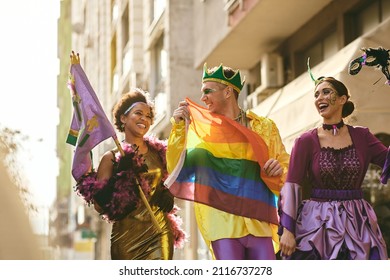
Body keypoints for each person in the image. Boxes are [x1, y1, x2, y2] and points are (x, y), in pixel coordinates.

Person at [165, 63, 290, 260]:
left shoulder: (263, 127)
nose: (203, 97)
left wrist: (279, 168)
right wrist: (179, 129)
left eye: (208, 91)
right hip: (222, 225)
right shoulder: (203, 134)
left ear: (228, 92)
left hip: (260, 222)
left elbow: (285, 166)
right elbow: (177, 169)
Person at [278, 75, 389, 260]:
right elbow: (292, 185)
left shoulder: (363, 136)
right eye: (316, 95)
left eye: (326, 92)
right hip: (318, 223)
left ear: (342, 99)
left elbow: (387, 160)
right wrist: (288, 230)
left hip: (358, 222)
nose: (319, 98)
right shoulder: (305, 141)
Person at [75, 88, 186, 260]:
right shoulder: (111, 158)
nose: (144, 119)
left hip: (159, 232)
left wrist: (169, 193)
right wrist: (119, 173)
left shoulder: (159, 153)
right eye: (138, 113)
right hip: (126, 238)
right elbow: (99, 204)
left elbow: (174, 178)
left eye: (148, 116)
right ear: (123, 118)